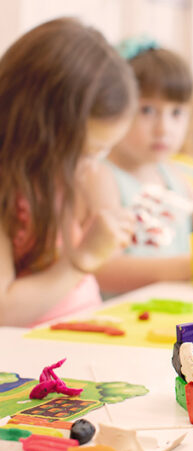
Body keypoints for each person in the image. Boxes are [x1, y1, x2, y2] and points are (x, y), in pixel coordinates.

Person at [0, 18, 137, 326]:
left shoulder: (69, 178)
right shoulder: (8, 188)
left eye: (100, 151)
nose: (91, 164)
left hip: (76, 346)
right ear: (36, 128)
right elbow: (3, 310)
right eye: (84, 151)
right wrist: (83, 259)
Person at [91, 37, 193, 294]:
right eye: (146, 111)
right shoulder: (103, 177)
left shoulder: (174, 176)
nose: (163, 129)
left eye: (177, 113)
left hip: (173, 310)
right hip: (123, 319)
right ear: (114, 108)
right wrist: (187, 267)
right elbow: (103, 270)